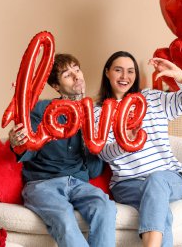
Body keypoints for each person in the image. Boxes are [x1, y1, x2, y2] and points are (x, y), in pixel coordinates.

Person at [94, 51, 182, 247]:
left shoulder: (151, 99)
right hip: (127, 185)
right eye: (118, 70)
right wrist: (124, 142)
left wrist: (180, 76)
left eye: (130, 71)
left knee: (156, 180)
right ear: (107, 72)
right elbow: (103, 153)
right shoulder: (99, 112)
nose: (125, 77)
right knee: (161, 213)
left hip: (169, 179)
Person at [9, 53, 116, 247]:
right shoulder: (42, 109)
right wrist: (18, 140)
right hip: (42, 184)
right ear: (56, 86)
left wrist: (93, 140)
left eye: (77, 69)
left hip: (78, 183)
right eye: (67, 74)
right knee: (64, 217)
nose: (77, 76)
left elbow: (93, 170)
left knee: (106, 207)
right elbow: (27, 148)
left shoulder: (94, 114)